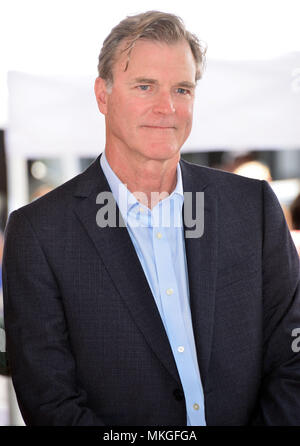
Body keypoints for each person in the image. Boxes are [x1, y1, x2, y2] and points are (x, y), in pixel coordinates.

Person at [2, 11, 300, 426]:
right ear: (102, 95)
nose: (167, 107)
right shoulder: (40, 233)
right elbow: (50, 401)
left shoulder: (252, 209)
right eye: (145, 86)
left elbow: (293, 360)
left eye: (182, 88)